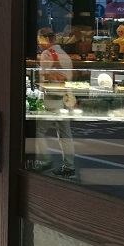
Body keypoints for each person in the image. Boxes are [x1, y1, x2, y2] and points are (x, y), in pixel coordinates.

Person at [38, 28, 76, 178]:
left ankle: (45, 160)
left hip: (52, 98)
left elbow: (44, 76)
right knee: (65, 134)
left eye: (40, 41)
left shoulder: (47, 54)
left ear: (46, 40)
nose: (39, 44)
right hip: (66, 97)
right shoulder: (64, 54)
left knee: (38, 130)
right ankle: (69, 166)